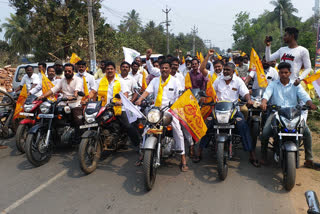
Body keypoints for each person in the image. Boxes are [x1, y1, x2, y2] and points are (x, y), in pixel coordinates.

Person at [195, 62, 260, 167]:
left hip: (234, 110)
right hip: (218, 110)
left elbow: (245, 93)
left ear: (233, 71)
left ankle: (252, 154)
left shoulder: (238, 81)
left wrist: (249, 100)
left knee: (243, 126)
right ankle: (199, 151)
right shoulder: (218, 80)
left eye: (227, 70)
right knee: (208, 125)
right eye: (224, 69)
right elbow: (210, 92)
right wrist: (205, 98)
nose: (225, 71)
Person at [260, 62, 318, 168]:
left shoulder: (296, 85)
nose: (283, 74)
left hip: (294, 114)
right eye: (281, 72)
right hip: (276, 113)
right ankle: (263, 156)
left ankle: (309, 159)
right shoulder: (273, 84)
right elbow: (267, 94)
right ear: (279, 73)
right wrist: (264, 102)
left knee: (307, 133)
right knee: (265, 133)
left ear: (290, 73)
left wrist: (310, 104)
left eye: (286, 72)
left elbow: (304, 96)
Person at [135, 60, 189, 172]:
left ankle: (183, 158)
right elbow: (147, 92)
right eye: (162, 68)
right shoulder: (155, 81)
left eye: (166, 68)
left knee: (178, 131)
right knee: (146, 129)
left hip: (170, 110)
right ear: (159, 69)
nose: (164, 70)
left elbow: (180, 95)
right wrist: (139, 100)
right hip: (155, 110)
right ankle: (143, 154)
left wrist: (176, 104)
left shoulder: (175, 81)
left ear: (170, 69)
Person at [94, 61, 140, 147]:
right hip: (103, 108)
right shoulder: (99, 81)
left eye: (111, 69)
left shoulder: (120, 81)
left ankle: (138, 145)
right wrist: (86, 98)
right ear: (105, 70)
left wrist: (121, 101)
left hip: (118, 107)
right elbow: (93, 91)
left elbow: (125, 93)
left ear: (115, 70)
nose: (110, 70)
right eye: (108, 69)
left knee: (128, 126)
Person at [37, 63, 83, 144]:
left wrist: (74, 96)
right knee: (52, 113)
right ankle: (54, 134)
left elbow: (77, 89)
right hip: (63, 102)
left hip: (75, 103)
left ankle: (79, 138)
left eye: (69, 71)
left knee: (77, 120)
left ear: (73, 71)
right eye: (65, 71)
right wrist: (43, 96)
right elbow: (54, 89)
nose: (67, 72)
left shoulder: (78, 79)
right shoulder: (62, 80)